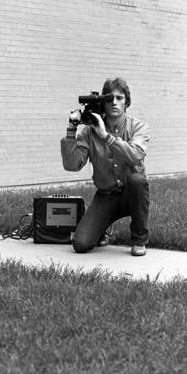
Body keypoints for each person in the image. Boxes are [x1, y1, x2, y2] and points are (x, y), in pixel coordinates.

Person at [60, 77, 150, 256]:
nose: (114, 102)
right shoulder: (89, 131)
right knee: (81, 243)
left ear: (127, 102)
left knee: (137, 180)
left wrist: (106, 136)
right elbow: (73, 165)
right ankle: (102, 227)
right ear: (103, 103)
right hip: (106, 195)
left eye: (120, 98)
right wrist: (71, 128)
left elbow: (134, 155)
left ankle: (139, 239)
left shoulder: (139, 127)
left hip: (132, 193)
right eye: (110, 98)